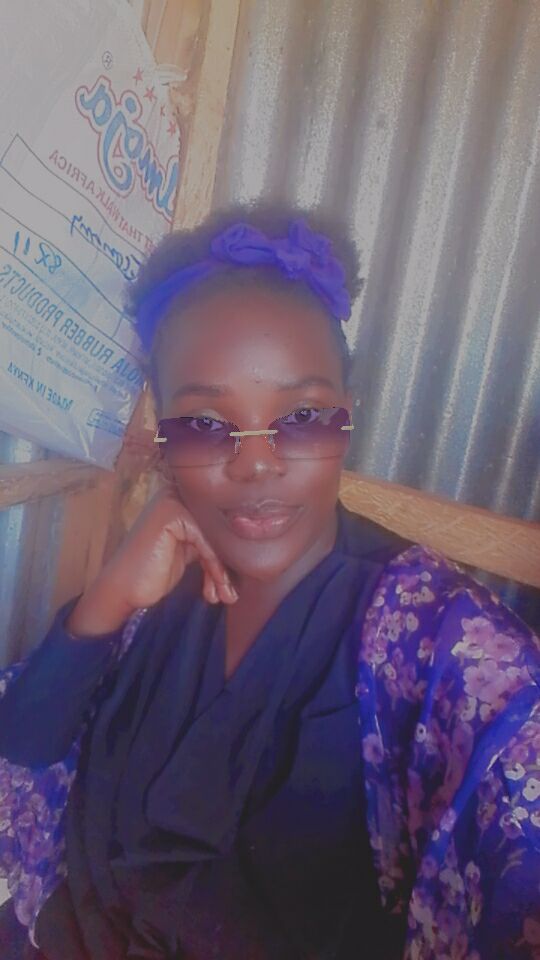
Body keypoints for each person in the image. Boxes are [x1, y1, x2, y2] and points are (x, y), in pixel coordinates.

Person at [0, 204, 538, 960]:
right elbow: (22, 749)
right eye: (204, 425)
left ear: (347, 417)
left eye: (304, 415)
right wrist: (108, 598)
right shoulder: (161, 583)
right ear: (163, 434)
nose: (256, 464)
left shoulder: (437, 640)